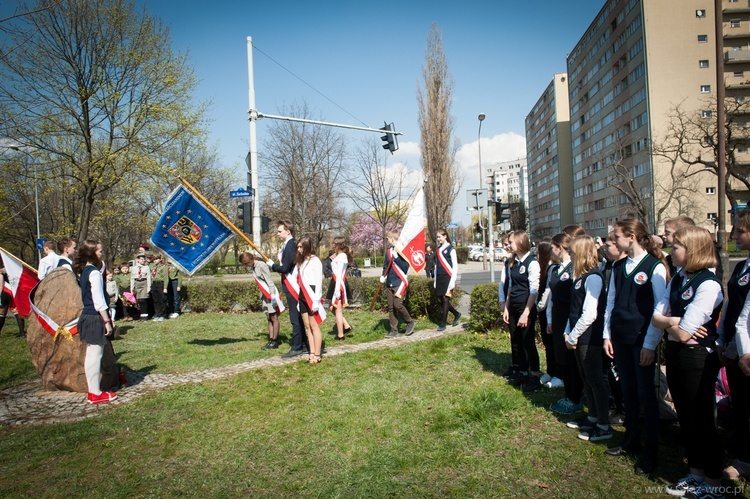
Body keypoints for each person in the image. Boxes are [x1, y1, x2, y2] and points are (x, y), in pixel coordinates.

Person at [652, 227, 724, 498]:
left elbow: (684, 333)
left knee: (703, 419)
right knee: (686, 417)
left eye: (677, 247)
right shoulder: (679, 278)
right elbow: (657, 317)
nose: (671, 251)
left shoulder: (709, 284)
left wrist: (671, 323)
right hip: (675, 353)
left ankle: (714, 484)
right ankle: (696, 475)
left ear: (693, 250)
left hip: (696, 357)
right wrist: (673, 321)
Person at [603, 218, 668, 477]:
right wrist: (607, 335)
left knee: (645, 395)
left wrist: (650, 344)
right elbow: (611, 302)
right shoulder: (619, 266)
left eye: (616, 236)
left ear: (631, 237)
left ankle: (650, 451)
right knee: (627, 390)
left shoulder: (655, 267)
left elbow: (660, 308)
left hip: (642, 340)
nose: (613, 241)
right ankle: (631, 440)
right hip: (620, 337)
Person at [563, 235, 611, 442]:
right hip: (577, 336)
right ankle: (592, 417)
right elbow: (573, 310)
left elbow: (590, 313)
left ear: (581, 253)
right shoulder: (580, 276)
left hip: (588, 338)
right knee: (586, 379)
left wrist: (573, 336)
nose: (569, 255)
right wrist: (568, 331)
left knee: (595, 380)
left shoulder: (593, 277)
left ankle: (603, 424)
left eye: (572, 252)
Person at [718, 210, 750, 481]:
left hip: (747, 350)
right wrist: (723, 339)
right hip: (737, 349)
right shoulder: (742, 266)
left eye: (740, 231)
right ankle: (742, 458)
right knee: (741, 405)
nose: (734, 236)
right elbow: (732, 307)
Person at [73, 240, 117, 405]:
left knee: (92, 355)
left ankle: (93, 391)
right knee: (94, 356)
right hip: (94, 317)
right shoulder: (94, 273)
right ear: (91, 254)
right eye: (100, 251)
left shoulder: (85, 271)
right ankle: (95, 392)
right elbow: (99, 301)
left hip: (87, 316)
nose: (102, 253)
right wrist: (106, 321)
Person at [547, 233, 583, 413]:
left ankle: (575, 398)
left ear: (560, 248)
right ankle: (568, 395)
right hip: (558, 318)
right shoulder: (556, 269)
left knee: (571, 361)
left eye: (552, 248)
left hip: (570, 319)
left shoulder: (573, 269)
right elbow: (552, 296)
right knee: (561, 358)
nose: (550, 252)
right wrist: (550, 319)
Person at [503, 230, 542, 392]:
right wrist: (506, 307)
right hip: (513, 306)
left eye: (510, 242)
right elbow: (511, 286)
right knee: (516, 341)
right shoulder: (514, 262)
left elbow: (534, 291)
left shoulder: (532, 263)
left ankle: (535, 376)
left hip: (526, 307)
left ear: (519, 243)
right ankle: (522, 372)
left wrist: (526, 312)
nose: (508, 245)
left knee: (528, 342)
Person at [269, 221, 308, 358]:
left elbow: (285, 268)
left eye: (280, 231)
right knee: (298, 315)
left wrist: (272, 265)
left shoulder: (291, 245)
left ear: (288, 231)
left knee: (295, 317)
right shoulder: (288, 245)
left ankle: (297, 347)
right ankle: (303, 344)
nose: (278, 234)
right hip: (289, 284)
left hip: (292, 285)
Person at [239, 252, 283, 350]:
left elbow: (269, 281)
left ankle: (275, 341)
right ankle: (270, 339)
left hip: (270, 294)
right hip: (264, 295)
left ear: (249, 261)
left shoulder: (261, 265)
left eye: (245, 264)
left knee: (274, 317)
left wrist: (272, 296)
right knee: (268, 317)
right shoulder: (254, 266)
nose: (245, 266)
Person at [295, 236, 325, 364]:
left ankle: (317, 354)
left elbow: (318, 281)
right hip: (302, 294)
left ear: (307, 247)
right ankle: (311, 352)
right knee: (307, 325)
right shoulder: (302, 261)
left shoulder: (315, 261)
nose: (299, 249)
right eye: (298, 246)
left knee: (314, 325)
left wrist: (316, 300)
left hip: (312, 294)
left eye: (301, 246)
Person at [381, 229, 415, 337]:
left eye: (388, 239)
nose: (387, 240)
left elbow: (405, 267)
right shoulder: (388, 251)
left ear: (392, 239)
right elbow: (386, 265)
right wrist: (383, 275)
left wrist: (397, 258)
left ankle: (410, 322)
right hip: (390, 281)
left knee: (398, 305)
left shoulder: (402, 250)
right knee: (391, 307)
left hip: (399, 282)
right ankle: (394, 329)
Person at [536, 239, 557, 389]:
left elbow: (548, 291)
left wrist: (539, 306)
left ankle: (556, 373)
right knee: (547, 344)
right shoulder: (543, 268)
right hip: (544, 313)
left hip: (548, 311)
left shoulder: (552, 268)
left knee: (552, 345)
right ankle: (550, 371)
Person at [498, 233, 518, 378]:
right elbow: (503, 282)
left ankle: (521, 366)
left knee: (519, 337)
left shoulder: (519, 261)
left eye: (508, 244)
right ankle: (515, 363)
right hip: (508, 300)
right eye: (504, 245)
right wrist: (502, 299)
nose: (506, 247)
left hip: (517, 301)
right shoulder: (507, 261)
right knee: (513, 336)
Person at [327, 237, 353, 341]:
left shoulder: (342, 256)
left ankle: (340, 334)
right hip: (336, 282)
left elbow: (340, 273)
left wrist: (338, 289)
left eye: (335, 244)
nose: (333, 246)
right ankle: (346, 326)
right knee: (332, 308)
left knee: (337, 310)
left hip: (339, 283)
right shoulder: (339, 255)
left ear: (339, 245)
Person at [435, 229, 460, 331]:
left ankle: (443, 323)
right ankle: (456, 313)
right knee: (440, 300)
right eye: (437, 237)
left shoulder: (451, 249)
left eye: (439, 237)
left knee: (445, 299)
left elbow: (455, 266)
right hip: (440, 277)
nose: (438, 239)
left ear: (445, 236)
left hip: (448, 277)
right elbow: (436, 266)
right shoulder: (438, 249)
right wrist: (435, 280)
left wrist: (453, 281)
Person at [130, 253, 151, 321]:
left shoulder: (146, 267)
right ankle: (141, 315)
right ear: (138, 260)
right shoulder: (133, 268)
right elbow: (132, 278)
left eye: (144, 259)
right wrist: (132, 288)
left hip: (144, 282)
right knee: (139, 300)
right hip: (137, 283)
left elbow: (148, 277)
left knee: (144, 299)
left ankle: (145, 315)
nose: (143, 260)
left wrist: (148, 287)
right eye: (141, 259)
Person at [150, 254, 167, 321]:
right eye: (154, 259)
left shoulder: (163, 267)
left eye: (156, 259)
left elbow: (166, 278)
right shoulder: (153, 267)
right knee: (156, 300)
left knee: (162, 300)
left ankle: (163, 315)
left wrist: (165, 287)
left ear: (160, 259)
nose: (155, 261)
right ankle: (158, 314)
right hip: (154, 284)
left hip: (161, 283)